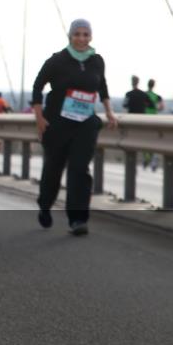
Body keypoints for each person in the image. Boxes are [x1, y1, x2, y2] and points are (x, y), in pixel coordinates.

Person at [32, 19, 117, 236]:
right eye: (77, 34)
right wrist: (40, 118)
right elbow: (37, 86)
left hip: (84, 124)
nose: (81, 38)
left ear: (91, 37)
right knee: (53, 169)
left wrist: (108, 111)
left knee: (80, 170)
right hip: (58, 123)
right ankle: (45, 205)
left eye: (85, 34)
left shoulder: (97, 61)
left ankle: (78, 219)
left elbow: (102, 86)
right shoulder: (57, 60)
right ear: (70, 36)